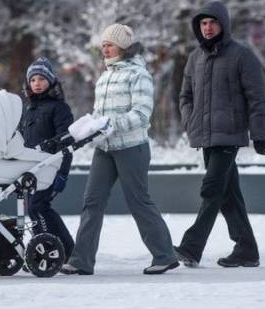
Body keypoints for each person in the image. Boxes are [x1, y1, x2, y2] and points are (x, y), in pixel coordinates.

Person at [61, 24, 178, 275]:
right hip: (105, 148)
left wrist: (111, 124)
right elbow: (100, 114)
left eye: (109, 44)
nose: (105, 49)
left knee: (138, 201)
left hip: (132, 148)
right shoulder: (104, 76)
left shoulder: (139, 75)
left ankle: (165, 255)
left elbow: (142, 114)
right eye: (103, 45)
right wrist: (88, 125)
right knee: (92, 201)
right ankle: (81, 260)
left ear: (123, 46)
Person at [174, 0, 265, 268]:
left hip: (229, 136)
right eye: (203, 23)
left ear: (223, 24)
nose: (207, 28)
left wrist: (260, 135)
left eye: (212, 22)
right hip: (205, 136)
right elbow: (185, 96)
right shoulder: (195, 58)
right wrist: (190, 120)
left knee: (212, 189)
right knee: (229, 195)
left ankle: (191, 247)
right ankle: (247, 249)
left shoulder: (242, 55)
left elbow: (257, 99)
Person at [19, 57, 75, 257]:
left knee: (39, 206)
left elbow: (68, 142)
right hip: (32, 170)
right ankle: (50, 250)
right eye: (33, 80)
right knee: (35, 209)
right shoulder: (28, 110)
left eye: (41, 79)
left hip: (51, 168)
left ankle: (54, 250)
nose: (37, 84)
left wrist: (63, 173)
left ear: (51, 81)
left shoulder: (59, 108)